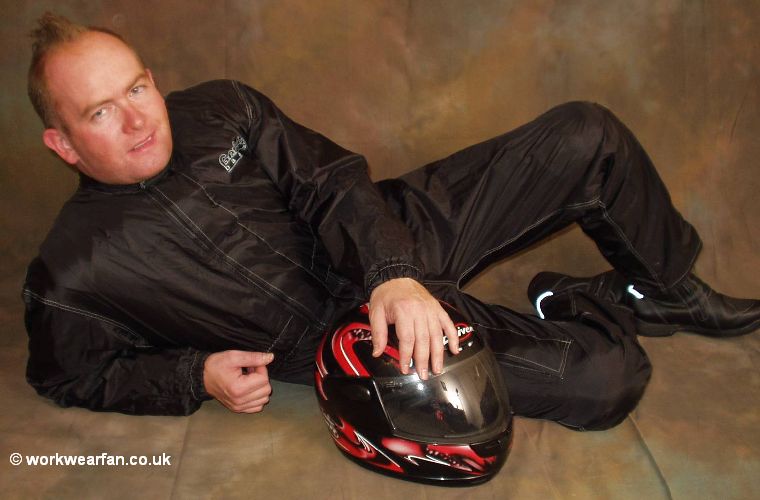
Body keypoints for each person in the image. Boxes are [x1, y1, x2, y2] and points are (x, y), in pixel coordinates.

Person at [23, 13, 759, 429]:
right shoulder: (73, 270)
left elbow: (328, 180)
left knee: (586, 136)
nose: (138, 120)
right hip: (357, 339)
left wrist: (392, 273)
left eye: (137, 88)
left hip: (388, 232)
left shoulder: (222, 108)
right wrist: (196, 374)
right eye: (101, 112)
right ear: (63, 145)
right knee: (607, 383)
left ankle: (664, 288)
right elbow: (73, 376)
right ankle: (577, 302)